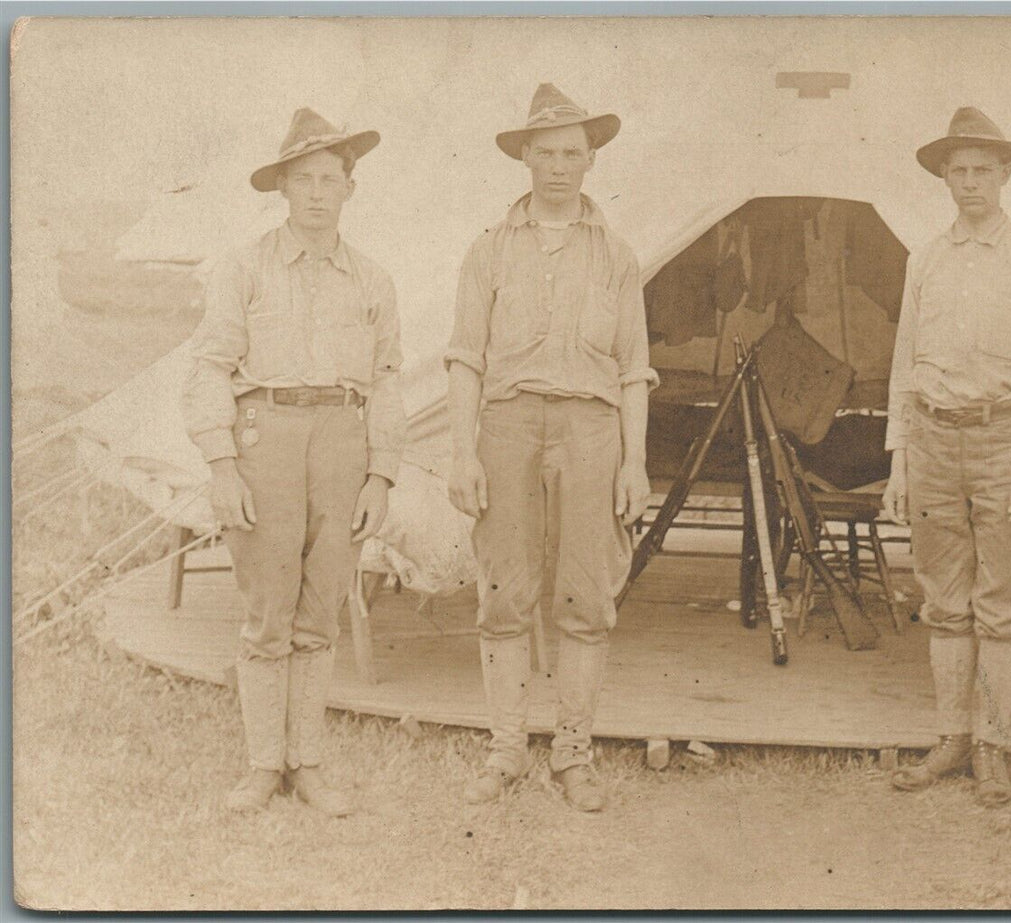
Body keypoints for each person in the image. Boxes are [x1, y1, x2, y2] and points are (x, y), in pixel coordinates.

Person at [182, 108, 405, 815]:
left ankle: (308, 761)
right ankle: (261, 764)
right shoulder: (242, 268)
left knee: (322, 609)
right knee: (266, 608)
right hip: (265, 436)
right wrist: (222, 463)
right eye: (303, 179)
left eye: (330, 179)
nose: (316, 192)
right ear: (282, 187)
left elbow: (390, 376)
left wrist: (381, 472)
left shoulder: (371, 279)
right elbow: (211, 365)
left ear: (349, 189)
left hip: (342, 439)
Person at [444, 84, 656, 813]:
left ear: (591, 160)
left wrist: (633, 460)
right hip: (505, 427)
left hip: (591, 431)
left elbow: (633, 368)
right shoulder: (488, 250)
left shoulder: (618, 256)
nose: (559, 167)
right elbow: (465, 358)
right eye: (545, 154)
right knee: (504, 589)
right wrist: (461, 452)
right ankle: (506, 749)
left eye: (572, 154)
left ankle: (572, 750)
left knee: (586, 594)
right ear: (524, 159)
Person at [883, 107, 1011, 805]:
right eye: (957, 171)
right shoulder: (924, 259)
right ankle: (951, 737)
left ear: (1006, 176)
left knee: (1000, 600)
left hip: (1004, 439)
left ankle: (991, 741)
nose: (969, 183)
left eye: (982, 171)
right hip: (933, 439)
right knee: (943, 598)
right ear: (943, 177)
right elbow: (904, 365)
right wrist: (900, 459)